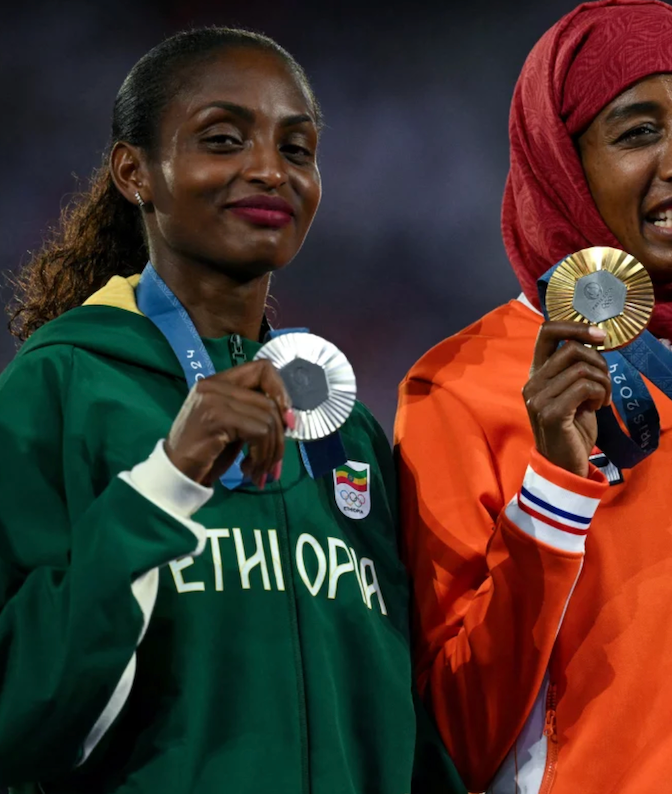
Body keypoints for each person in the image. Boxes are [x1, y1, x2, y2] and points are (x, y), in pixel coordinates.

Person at [0, 27, 459, 793]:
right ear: (133, 172)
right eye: (223, 140)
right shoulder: (60, 391)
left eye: (299, 149)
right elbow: (18, 718)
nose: (269, 171)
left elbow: (404, 725)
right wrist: (165, 482)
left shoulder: (346, 429)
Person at [394, 2, 672, 792]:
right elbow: (453, 738)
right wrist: (553, 495)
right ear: (560, 163)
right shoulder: (459, 389)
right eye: (637, 132)